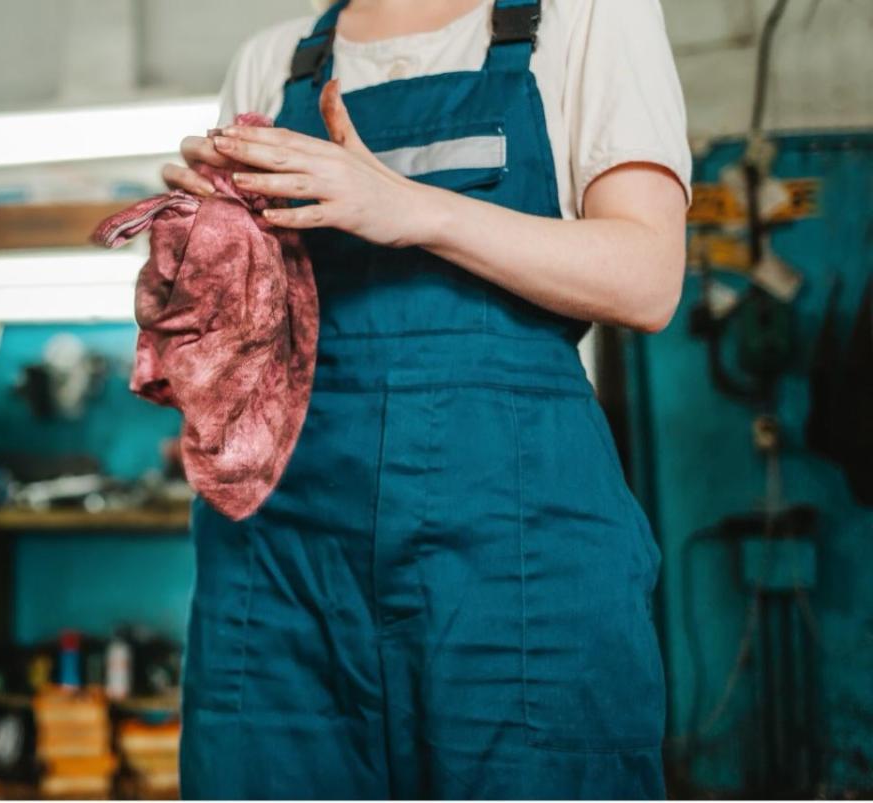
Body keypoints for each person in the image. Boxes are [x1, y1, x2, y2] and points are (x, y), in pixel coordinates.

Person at [162, 0, 691, 797]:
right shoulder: (274, 62)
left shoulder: (586, 16)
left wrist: (410, 209)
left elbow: (648, 278)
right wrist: (207, 255)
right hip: (281, 560)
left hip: (513, 547)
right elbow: (237, 345)